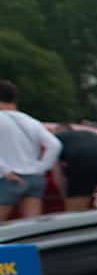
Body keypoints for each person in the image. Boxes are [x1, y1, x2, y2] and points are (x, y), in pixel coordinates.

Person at [0, 80, 62, 220]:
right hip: (34, 178)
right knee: (31, 224)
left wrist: (5, 170)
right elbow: (54, 145)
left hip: (9, 178)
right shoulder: (31, 121)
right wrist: (41, 168)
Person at [53, 124, 97, 211]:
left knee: (76, 211)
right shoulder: (89, 134)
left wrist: (67, 196)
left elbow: (57, 174)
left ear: (57, 131)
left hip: (81, 160)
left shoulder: (55, 139)